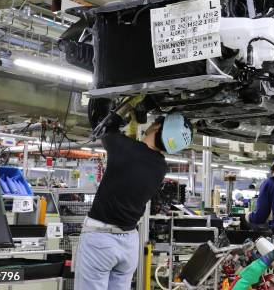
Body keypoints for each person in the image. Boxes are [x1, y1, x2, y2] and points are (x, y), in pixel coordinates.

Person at [75, 113, 193, 290]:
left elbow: (101, 125)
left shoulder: (126, 149)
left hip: (101, 238)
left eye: (154, 122)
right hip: (129, 243)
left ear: (157, 127)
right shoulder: (160, 166)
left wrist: (121, 117)